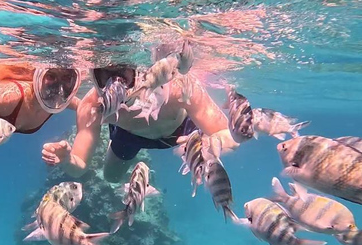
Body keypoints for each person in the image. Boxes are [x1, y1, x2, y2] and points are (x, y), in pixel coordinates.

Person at [41, 45, 237, 182]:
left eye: (122, 75)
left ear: (136, 72)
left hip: (181, 131)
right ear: (93, 77)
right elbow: (79, 165)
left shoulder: (178, 87)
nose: (114, 86)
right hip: (129, 135)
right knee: (112, 178)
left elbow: (230, 135)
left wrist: (206, 147)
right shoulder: (92, 107)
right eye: (104, 75)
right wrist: (66, 160)